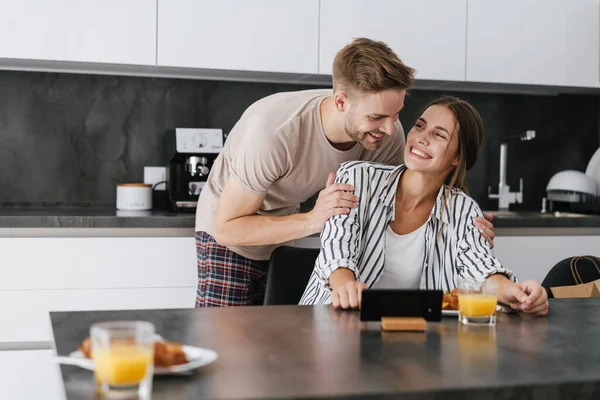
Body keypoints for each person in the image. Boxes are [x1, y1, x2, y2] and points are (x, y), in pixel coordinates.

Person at [194, 38, 496, 308]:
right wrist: (314, 219)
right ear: (341, 102)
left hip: (284, 232)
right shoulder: (275, 129)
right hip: (230, 234)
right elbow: (227, 228)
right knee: (228, 355)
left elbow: (412, 191)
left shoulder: (387, 133)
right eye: (377, 116)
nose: (391, 129)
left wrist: (465, 228)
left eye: (397, 113)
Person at [299, 96, 549, 316]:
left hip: (407, 339)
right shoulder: (357, 178)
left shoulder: (463, 210)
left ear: (458, 157)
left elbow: (481, 269)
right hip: (329, 321)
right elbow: (337, 246)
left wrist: (518, 294)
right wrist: (345, 285)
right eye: (419, 126)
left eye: (439, 135)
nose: (421, 138)